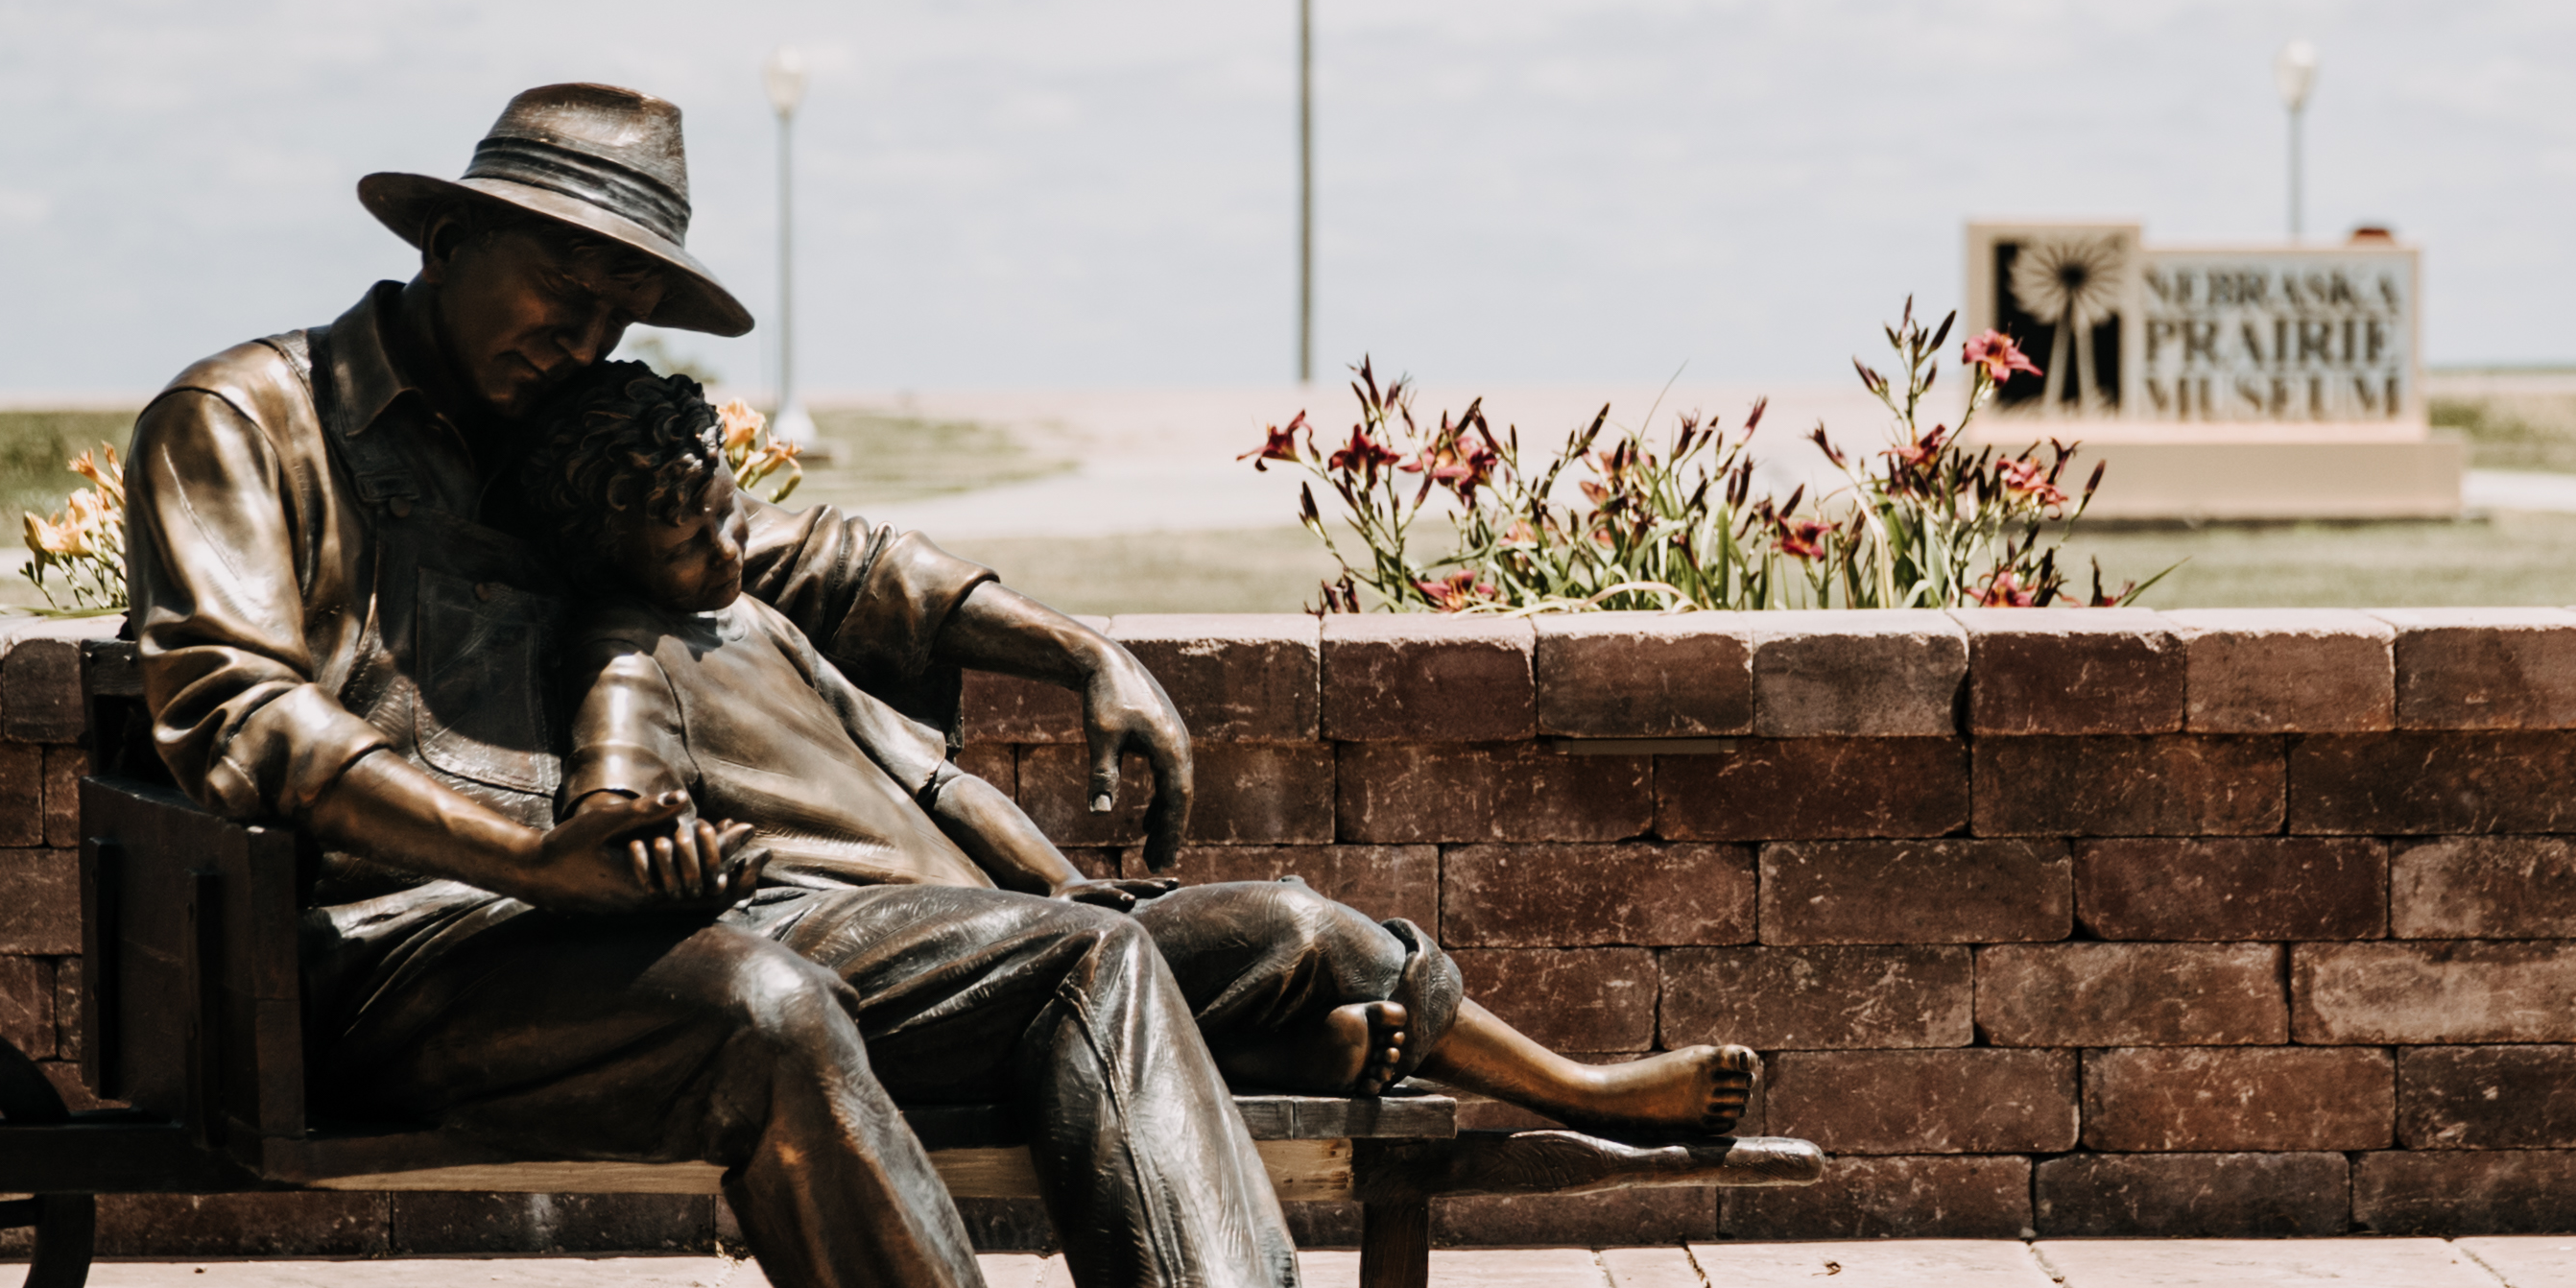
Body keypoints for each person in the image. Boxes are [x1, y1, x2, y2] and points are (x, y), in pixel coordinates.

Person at [122, 81, 1540, 1288]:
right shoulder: (247, 422)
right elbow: (238, 714)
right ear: (448, 236)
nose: (580, 340)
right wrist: (530, 856)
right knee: (761, 1007)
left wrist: (1077, 649)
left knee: (1086, 952)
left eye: (617, 317)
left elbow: (798, 554)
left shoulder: (553, 421)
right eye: (560, 287)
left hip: (641, 911)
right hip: (408, 954)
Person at [495, 356, 1765, 1135]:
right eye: (704, 528)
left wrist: (1061, 891)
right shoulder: (623, 657)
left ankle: (1272, 1052)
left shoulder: (747, 615)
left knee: (1195, 947)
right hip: (921, 981)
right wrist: (634, 834)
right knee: (1300, 926)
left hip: (1015, 937)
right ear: (622, 536)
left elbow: (937, 779)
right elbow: (615, 787)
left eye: (734, 507)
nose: (739, 535)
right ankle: (1580, 1093)